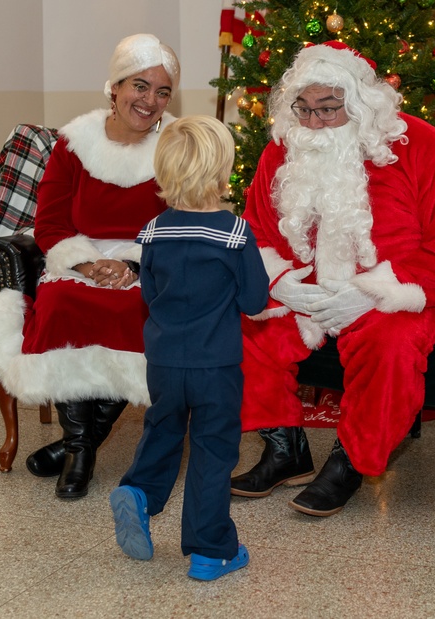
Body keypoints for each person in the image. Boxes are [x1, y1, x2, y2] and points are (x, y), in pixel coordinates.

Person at [230, 41, 435, 517]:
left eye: (328, 109)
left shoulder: (421, 146)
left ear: (361, 104)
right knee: (242, 324)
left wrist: (373, 294)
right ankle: (285, 450)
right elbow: (256, 230)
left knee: (390, 344)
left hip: (398, 297)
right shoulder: (280, 151)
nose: (312, 123)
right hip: (304, 292)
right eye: (303, 109)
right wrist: (279, 282)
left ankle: (350, 461)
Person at [0, 33, 179, 499]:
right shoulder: (74, 143)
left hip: (148, 261)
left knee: (137, 313)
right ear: (115, 86)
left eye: (162, 91)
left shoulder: (175, 145)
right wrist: (86, 264)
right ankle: (81, 449)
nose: (150, 101)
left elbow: (182, 218)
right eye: (139, 87)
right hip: (78, 258)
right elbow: (48, 223)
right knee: (63, 301)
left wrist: (135, 266)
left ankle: (75, 447)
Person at [109, 115, 268, 581]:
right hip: (215, 364)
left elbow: (148, 291)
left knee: (162, 429)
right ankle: (210, 549)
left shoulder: (154, 230)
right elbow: (254, 300)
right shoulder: (234, 233)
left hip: (162, 361)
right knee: (213, 450)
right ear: (222, 173)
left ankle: (138, 491)